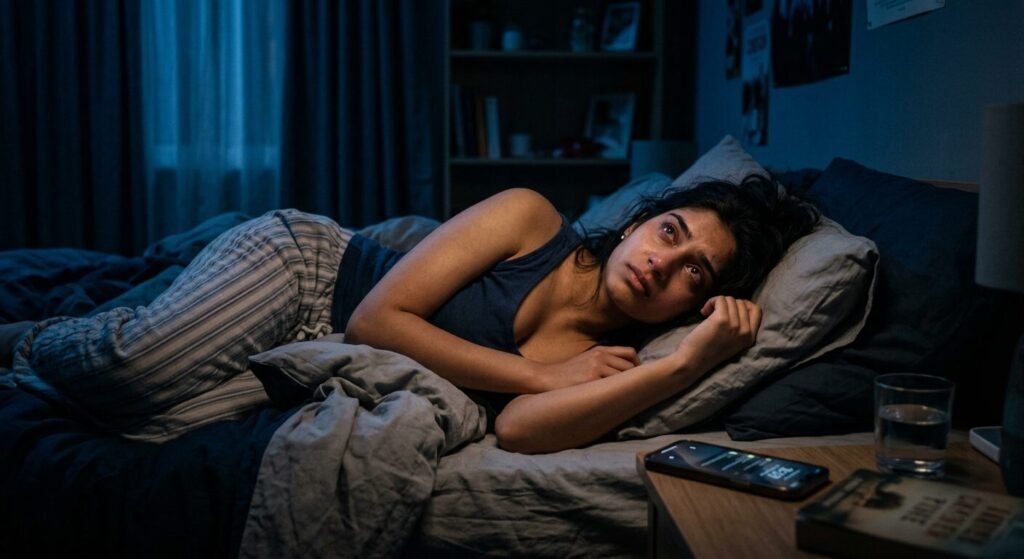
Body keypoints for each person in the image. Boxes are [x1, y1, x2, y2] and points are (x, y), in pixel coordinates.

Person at [12, 174, 819, 454]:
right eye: (668, 233)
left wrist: (686, 363)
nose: (660, 263)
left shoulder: (618, 361)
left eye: (693, 274)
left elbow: (518, 431)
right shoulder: (531, 217)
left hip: (318, 362)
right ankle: (28, 333)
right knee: (130, 368)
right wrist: (539, 371)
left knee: (136, 425)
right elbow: (374, 318)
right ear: (643, 217)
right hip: (311, 272)